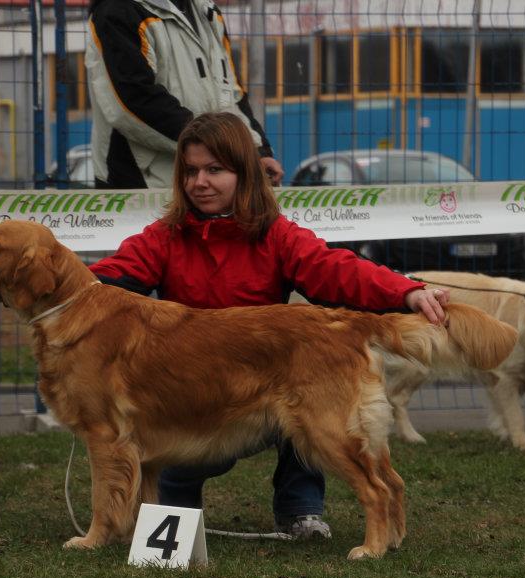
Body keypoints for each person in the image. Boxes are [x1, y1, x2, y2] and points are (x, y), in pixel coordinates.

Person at [87, 112, 450, 538]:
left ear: (245, 173)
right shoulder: (164, 237)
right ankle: (175, 523)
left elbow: (334, 269)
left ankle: (301, 510)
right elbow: (103, 279)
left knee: (311, 397)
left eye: (215, 170)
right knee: (174, 458)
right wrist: (53, 283)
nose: (199, 182)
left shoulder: (275, 235)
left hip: (265, 388)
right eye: (190, 171)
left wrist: (404, 291)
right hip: (194, 399)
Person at [84, 0, 283, 188]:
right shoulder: (117, 10)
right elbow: (133, 101)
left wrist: (256, 152)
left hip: (203, 178)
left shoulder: (205, 9)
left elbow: (231, 95)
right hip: (142, 180)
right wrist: (220, 147)